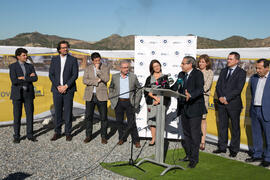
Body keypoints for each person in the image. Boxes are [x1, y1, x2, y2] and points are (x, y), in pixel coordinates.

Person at [171, 56, 206, 168]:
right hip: (183, 108)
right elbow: (175, 86)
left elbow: (200, 89)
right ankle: (189, 155)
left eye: (183, 63)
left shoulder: (197, 74)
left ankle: (194, 159)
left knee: (195, 135)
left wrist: (191, 95)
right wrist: (164, 88)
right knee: (186, 134)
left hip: (195, 108)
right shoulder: (181, 75)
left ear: (190, 64)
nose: (181, 65)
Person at [213, 52, 246, 157]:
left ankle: (234, 149)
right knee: (222, 126)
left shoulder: (241, 73)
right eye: (228, 59)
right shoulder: (223, 71)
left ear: (237, 61)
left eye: (230, 59)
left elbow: (238, 89)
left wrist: (227, 98)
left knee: (235, 127)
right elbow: (218, 86)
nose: (228, 61)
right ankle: (222, 147)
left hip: (234, 104)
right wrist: (221, 98)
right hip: (222, 104)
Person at [49, 40, 78, 141]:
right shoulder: (54, 59)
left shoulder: (73, 60)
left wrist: (66, 86)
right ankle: (57, 132)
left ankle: (68, 132)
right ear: (59, 49)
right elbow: (51, 74)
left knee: (68, 111)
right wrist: (58, 86)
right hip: (57, 90)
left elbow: (75, 75)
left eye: (66, 47)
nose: (65, 49)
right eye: (63, 48)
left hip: (68, 90)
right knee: (57, 112)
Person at [109, 60, 142, 148]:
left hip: (129, 102)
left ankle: (136, 140)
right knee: (119, 121)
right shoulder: (115, 77)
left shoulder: (133, 77)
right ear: (120, 68)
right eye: (124, 67)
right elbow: (111, 88)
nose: (126, 69)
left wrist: (136, 101)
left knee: (131, 122)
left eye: (127, 67)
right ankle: (122, 138)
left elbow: (139, 89)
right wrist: (112, 99)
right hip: (118, 102)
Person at [9, 48, 38, 143]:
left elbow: (35, 78)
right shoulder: (12, 66)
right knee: (17, 116)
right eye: (24, 55)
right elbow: (14, 81)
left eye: (26, 55)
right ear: (18, 57)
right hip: (17, 94)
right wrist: (29, 77)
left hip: (28, 94)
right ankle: (16, 136)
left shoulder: (30, 66)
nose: (26, 57)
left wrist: (23, 77)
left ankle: (30, 135)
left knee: (30, 115)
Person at [245, 59, 270, 167]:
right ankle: (257, 155)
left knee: (269, 136)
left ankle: (268, 158)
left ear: (267, 68)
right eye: (257, 68)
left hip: (267, 111)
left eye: (260, 68)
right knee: (256, 134)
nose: (257, 70)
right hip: (255, 110)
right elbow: (252, 93)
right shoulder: (254, 78)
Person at [83, 52, 110, 144]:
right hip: (90, 95)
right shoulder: (88, 68)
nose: (98, 62)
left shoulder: (105, 68)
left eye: (99, 60)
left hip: (101, 95)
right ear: (92, 61)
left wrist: (98, 71)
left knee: (103, 117)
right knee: (89, 117)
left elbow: (106, 79)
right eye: (96, 61)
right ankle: (88, 135)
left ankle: (104, 136)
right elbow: (85, 80)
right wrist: (95, 82)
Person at [144, 59, 170, 146]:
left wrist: (159, 100)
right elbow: (146, 91)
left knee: (160, 121)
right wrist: (154, 99)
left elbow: (167, 91)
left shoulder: (165, 77)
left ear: (160, 66)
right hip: (152, 103)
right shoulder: (149, 78)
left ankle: (159, 139)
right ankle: (153, 138)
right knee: (152, 121)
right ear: (152, 68)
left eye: (158, 65)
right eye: (154, 66)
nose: (157, 67)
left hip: (161, 102)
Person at [197, 54, 214, 150]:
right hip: (194, 99)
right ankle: (195, 140)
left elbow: (206, 86)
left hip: (203, 98)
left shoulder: (210, 72)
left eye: (203, 62)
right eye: (199, 61)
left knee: (203, 120)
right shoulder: (195, 71)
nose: (200, 63)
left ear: (207, 63)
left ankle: (202, 141)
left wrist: (195, 91)